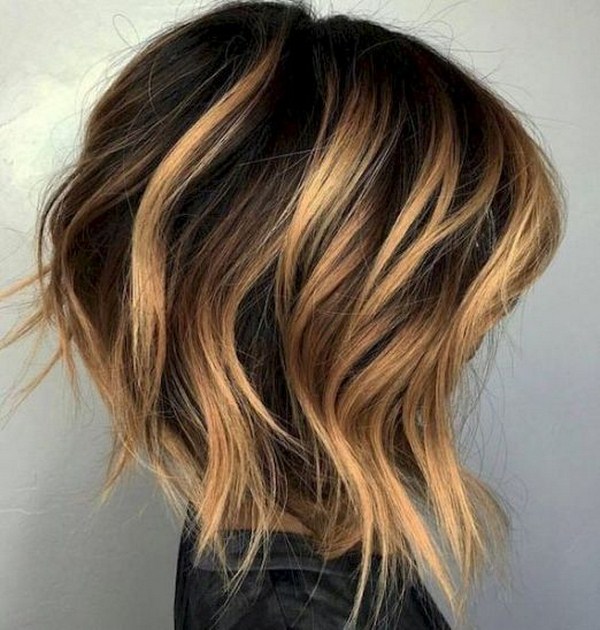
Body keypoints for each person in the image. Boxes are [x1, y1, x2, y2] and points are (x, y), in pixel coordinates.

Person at [0, 1, 565, 628]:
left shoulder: (257, 527)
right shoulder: (300, 610)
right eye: (459, 288)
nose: (486, 322)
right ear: (350, 323)